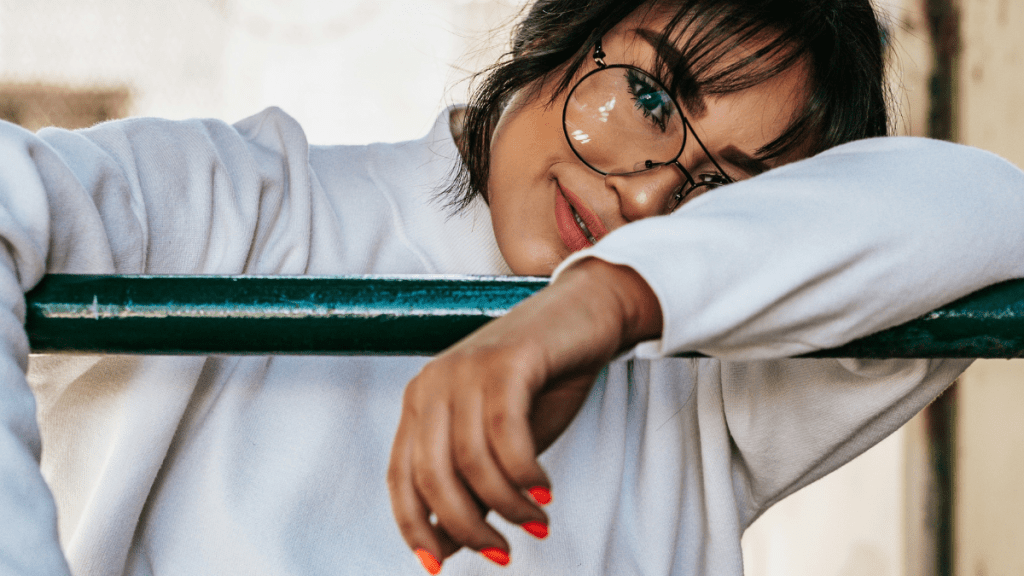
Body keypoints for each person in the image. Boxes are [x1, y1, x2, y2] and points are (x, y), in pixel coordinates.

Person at [0, 1, 1022, 576]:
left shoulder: (712, 373)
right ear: (553, 37)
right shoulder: (250, 203)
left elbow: (990, 210)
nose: (650, 193)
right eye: (650, 96)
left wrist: (599, 304)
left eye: (724, 185)